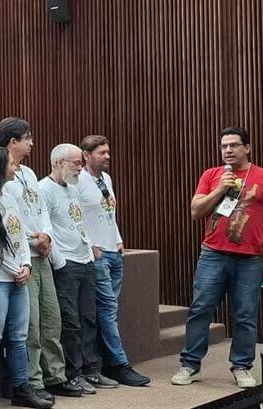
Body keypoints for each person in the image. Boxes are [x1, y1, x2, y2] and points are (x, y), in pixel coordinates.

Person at [171, 127, 263, 388]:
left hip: (250, 258)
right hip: (213, 254)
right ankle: (190, 365)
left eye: (234, 145)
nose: (228, 150)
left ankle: (242, 366)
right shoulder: (212, 175)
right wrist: (220, 189)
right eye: (224, 146)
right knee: (200, 309)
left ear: (247, 148)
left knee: (246, 314)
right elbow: (195, 211)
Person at [0, 118, 81, 401]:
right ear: (13, 142)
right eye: (27, 138)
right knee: (30, 324)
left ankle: (55, 375)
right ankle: (33, 380)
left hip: (42, 254)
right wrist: (34, 241)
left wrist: (46, 234)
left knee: (51, 318)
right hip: (24, 257)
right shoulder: (1, 172)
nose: (32, 143)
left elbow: (41, 209)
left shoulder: (29, 173)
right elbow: (9, 218)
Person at [0, 147, 53, 409]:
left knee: (19, 335)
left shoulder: (8, 196)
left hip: (17, 276)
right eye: (10, 164)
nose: (15, 167)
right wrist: (16, 269)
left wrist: (26, 264)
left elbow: (20, 236)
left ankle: (21, 387)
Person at [76, 135, 151, 386]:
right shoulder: (79, 181)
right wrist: (89, 244)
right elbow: (75, 217)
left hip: (113, 251)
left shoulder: (106, 179)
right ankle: (119, 365)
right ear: (86, 155)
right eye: (101, 153)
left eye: (108, 152)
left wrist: (118, 239)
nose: (107, 156)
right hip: (96, 255)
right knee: (107, 309)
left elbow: (109, 213)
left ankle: (104, 362)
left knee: (108, 311)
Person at [39, 143, 111, 394]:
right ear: (59, 163)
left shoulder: (73, 187)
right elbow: (45, 227)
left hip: (84, 259)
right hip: (66, 263)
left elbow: (79, 221)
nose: (81, 168)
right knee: (70, 321)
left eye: (81, 163)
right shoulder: (44, 189)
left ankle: (91, 370)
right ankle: (72, 373)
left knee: (89, 318)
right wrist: (59, 261)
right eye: (76, 163)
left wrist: (90, 249)